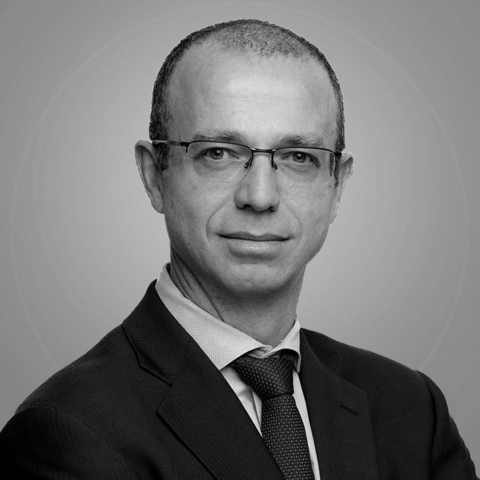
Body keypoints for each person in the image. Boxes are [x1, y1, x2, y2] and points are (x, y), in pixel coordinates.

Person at [0, 18, 477, 480]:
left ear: (337, 186)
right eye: (218, 153)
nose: (260, 196)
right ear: (153, 176)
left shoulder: (412, 410)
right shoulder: (68, 431)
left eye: (298, 157)